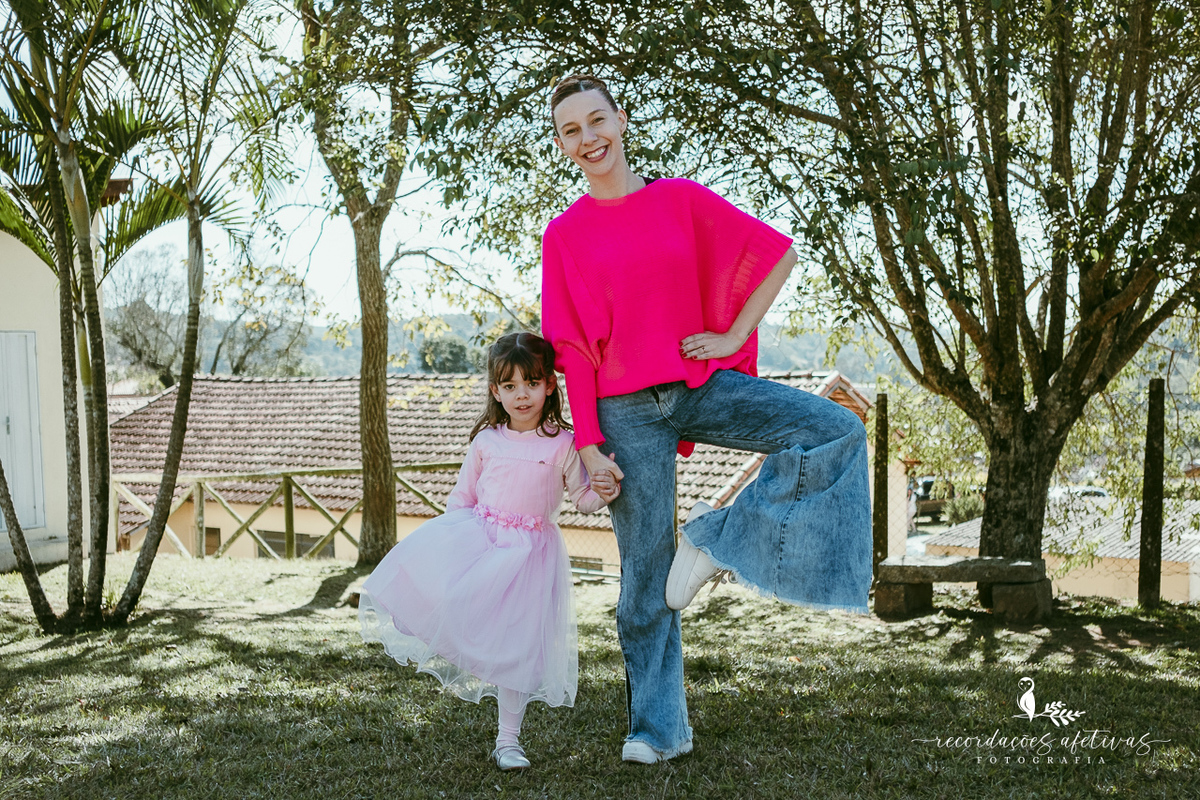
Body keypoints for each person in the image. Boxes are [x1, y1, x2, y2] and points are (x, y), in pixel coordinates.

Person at [540, 74, 872, 765]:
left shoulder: (678, 199)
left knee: (836, 429)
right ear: (562, 144)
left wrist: (730, 337)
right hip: (625, 414)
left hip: (699, 384)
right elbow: (571, 348)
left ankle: (719, 537)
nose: (588, 138)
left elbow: (776, 254)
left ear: (622, 120)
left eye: (596, 121)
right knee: (644, 577)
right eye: (571, 130)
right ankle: (657, 731)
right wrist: (591, 445)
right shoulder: (565, 235)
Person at [358, 332, 618, 771]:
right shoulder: (487, 442)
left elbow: (583, 498)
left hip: (531, 558)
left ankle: (508, 742)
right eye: (510, 386)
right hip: (484, 543)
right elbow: (462, 499)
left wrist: (605, 490)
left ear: (551, 385)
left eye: (532, 384)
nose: (522, 395)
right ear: (495, 390)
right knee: (467, 619)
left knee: (517, 648)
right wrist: (451, 550)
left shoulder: (563, 444)